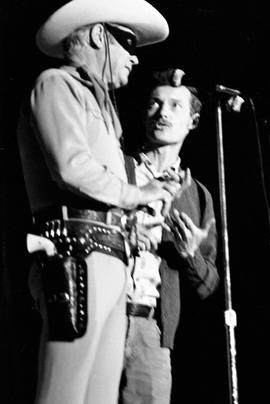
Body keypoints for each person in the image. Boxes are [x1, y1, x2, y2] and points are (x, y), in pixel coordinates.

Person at [16, 2, 180, 404]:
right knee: (64, 391)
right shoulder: (55, 84)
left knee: (100, 396)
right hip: (76, 257)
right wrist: (137, 193)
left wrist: (137, 216)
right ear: (96, 36)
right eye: (126, 41)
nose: (134, 55)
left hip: (110, 258)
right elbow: (71, 168)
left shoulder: (103, 108)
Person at [119, 68, 220, 404]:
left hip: (150, 330)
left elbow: (208, 284)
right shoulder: (119, 169)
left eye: (176, 106)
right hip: (102, 316)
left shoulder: (200, 196)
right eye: (154, 103)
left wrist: (189, 254)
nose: (162, 112)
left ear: (193, 121)